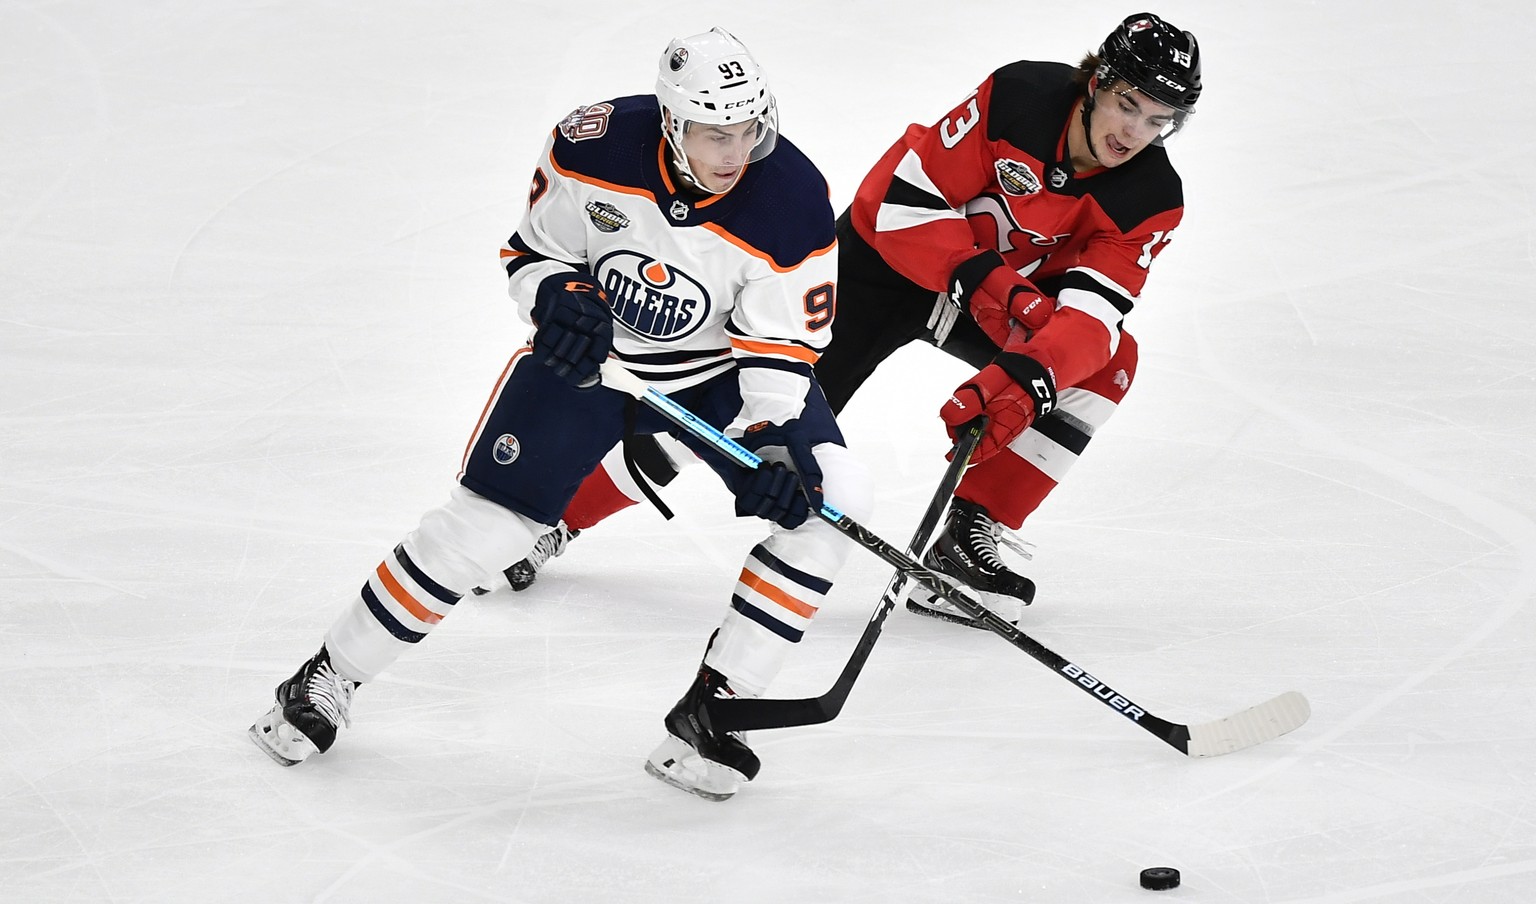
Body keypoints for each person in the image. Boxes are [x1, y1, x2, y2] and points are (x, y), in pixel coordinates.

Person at [248, 27, 872, 803]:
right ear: (673, 121)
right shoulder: (593, 146)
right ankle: (329, 675)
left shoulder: (791, 199)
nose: (733, 150)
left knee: (831, 502)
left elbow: (780, 348)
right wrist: (558, 296)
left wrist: (770, 439)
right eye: (715, 132)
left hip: (716, 375)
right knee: (484, 528)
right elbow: (530, 255)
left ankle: (720, 707)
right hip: (595, 363)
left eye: (747, 129)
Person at [482, 13, 1201, 633]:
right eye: (1129, 104)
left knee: (1106, 367)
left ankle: (967, 537)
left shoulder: (1150, 195)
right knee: (731, 409)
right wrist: (1003, 292)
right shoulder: (1020, 96)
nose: (1135, 132)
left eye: (1158, 120)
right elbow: (895, 206)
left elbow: (1093, 321)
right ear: (1097, 82)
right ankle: (557, 518)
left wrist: (1028, 377)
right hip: (879, 276)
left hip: (995, 306)